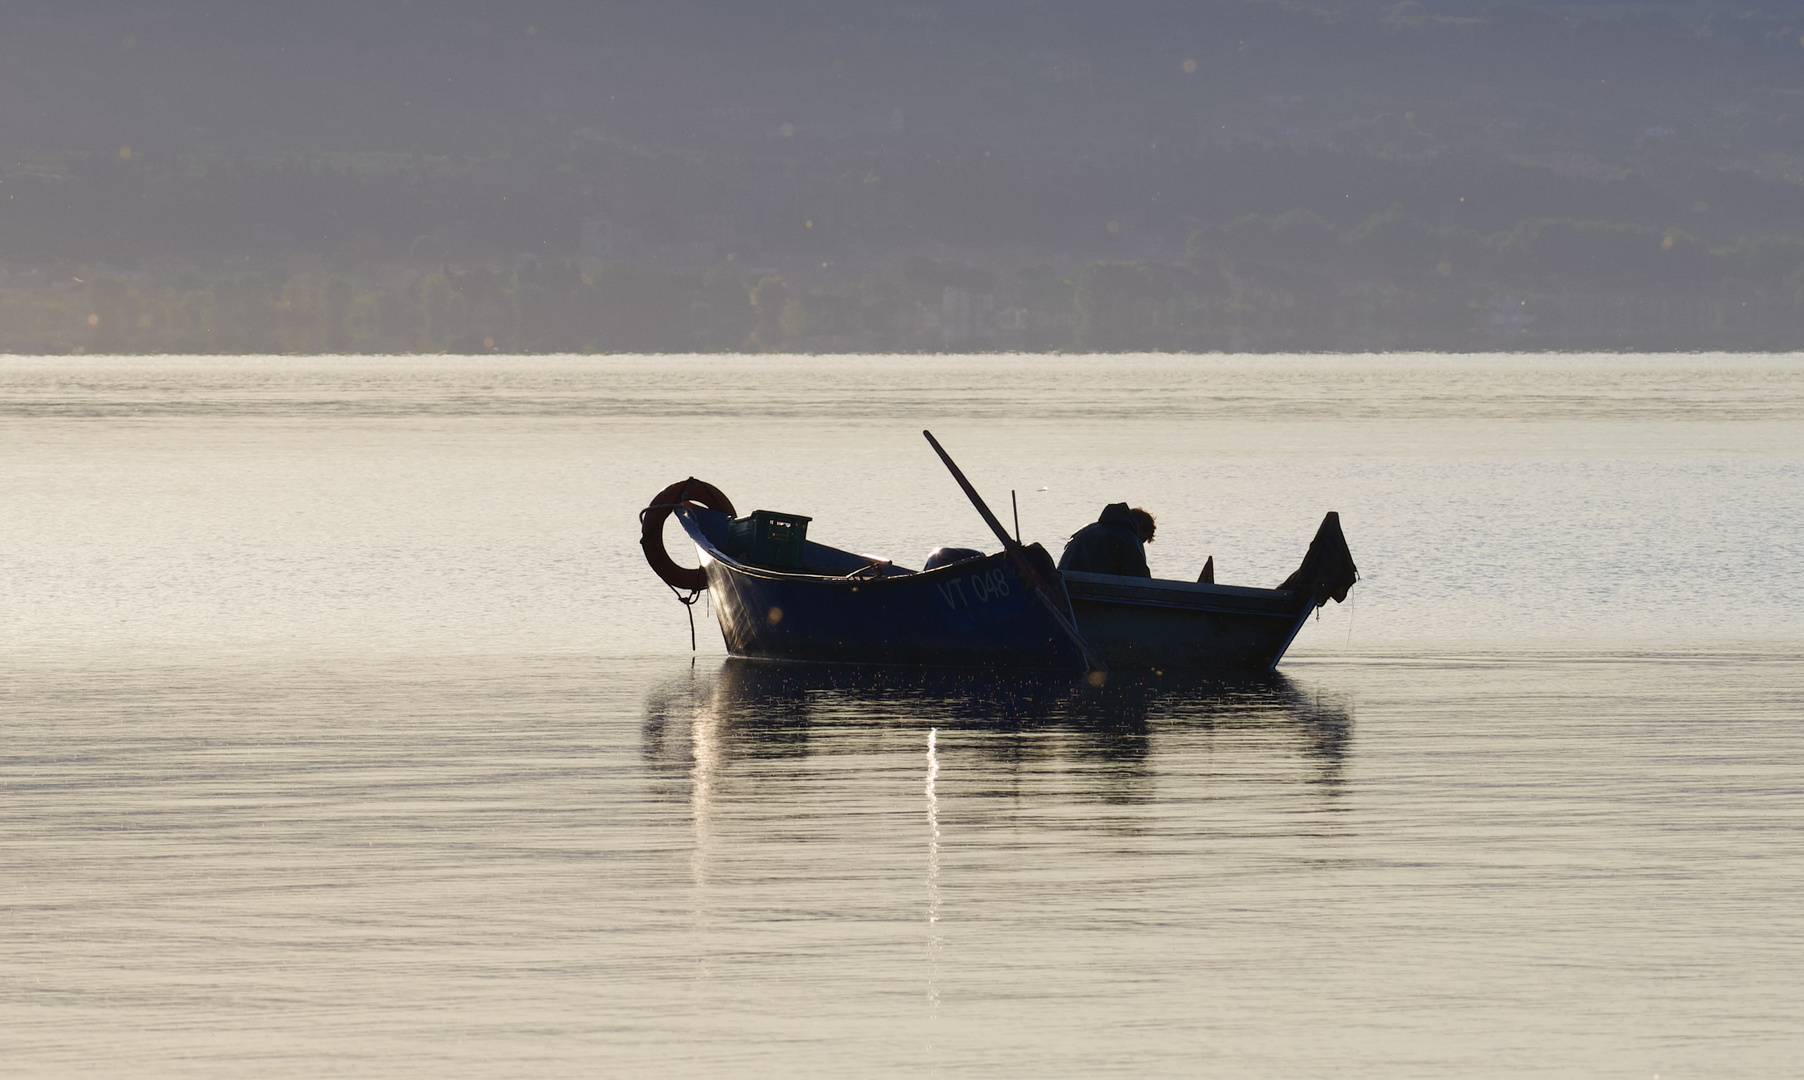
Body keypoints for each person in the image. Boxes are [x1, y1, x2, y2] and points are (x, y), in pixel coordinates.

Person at [1057, 503, 1155, 577]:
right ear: (1140, 527)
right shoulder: (1129, 539)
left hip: (1065, 588)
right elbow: (1140, 579)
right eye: (1143, 539)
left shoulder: (1085, 530)